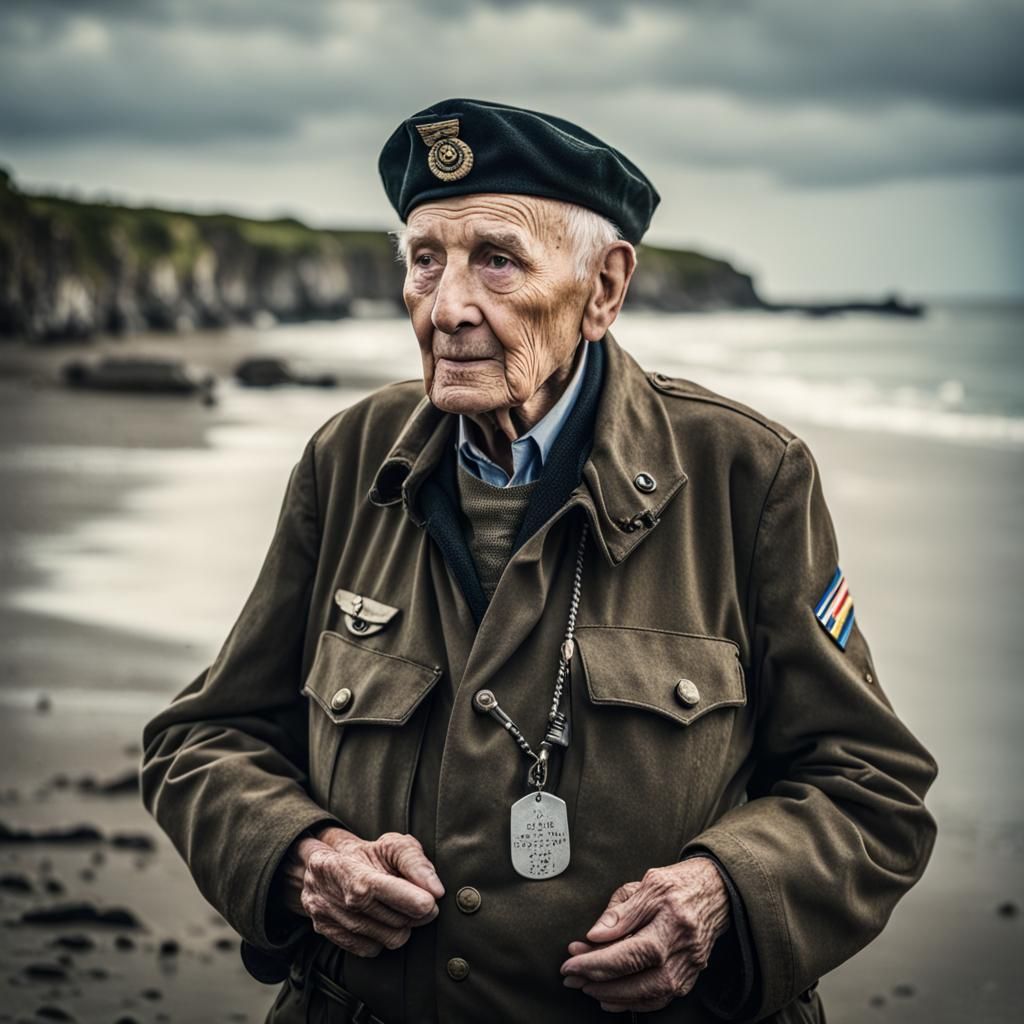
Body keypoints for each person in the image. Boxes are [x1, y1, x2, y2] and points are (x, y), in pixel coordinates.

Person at [141, 98, 938, 1024]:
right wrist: (303, 855)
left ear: (603, 289)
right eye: (423, 259)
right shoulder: (347, 461)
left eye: (497, 260)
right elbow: (201, 741)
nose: (446, 308)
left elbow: (870, 786)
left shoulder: (746, 477)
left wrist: (724, 894)